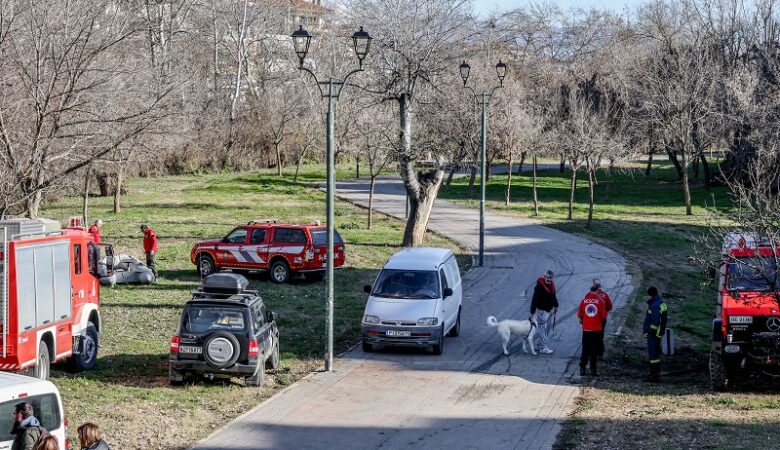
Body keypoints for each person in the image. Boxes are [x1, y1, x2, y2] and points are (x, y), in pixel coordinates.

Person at [577, 286, 608, 376]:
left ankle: (582, 369)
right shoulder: (601, 302)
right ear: (597, 292)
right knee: (593, 351)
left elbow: (580, 315)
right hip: (596, 330)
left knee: (585, 349)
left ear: (590, 291)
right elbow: (603, 317)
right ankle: (593, 370)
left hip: (586, 330)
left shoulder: (584, 301)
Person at [643, 286, 668, 383]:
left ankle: (654, 376)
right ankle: (655, 374)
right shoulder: (661, 303)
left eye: (647, 296)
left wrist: (649, 331)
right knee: (656, 355)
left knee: (653, 355)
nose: (647, 297)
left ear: (650, 295)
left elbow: (655, 321)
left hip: (653, 334)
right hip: (658, 333)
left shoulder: (654, 305)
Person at [530, 270, 559, 354]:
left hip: (548, 310)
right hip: (541, 311)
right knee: (542, 328)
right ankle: (543, 348)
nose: (548, 279)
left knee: (547, 328)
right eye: (547, 277)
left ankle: (540, 344)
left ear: (552, 278)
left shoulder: (552, 285)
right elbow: (534, 300)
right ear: (544, 276)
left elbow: (553, 296)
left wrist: (556, 306)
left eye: (550, 278)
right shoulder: (539, 287)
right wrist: (532, 312)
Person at [592, 279, 613, 358]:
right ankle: (600, 354)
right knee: (600, 336)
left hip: (592, 319)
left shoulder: (588, 295)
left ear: (593, 285)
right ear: (600, 286)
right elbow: (610, 307)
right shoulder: (604, 295)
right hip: (602, 319)